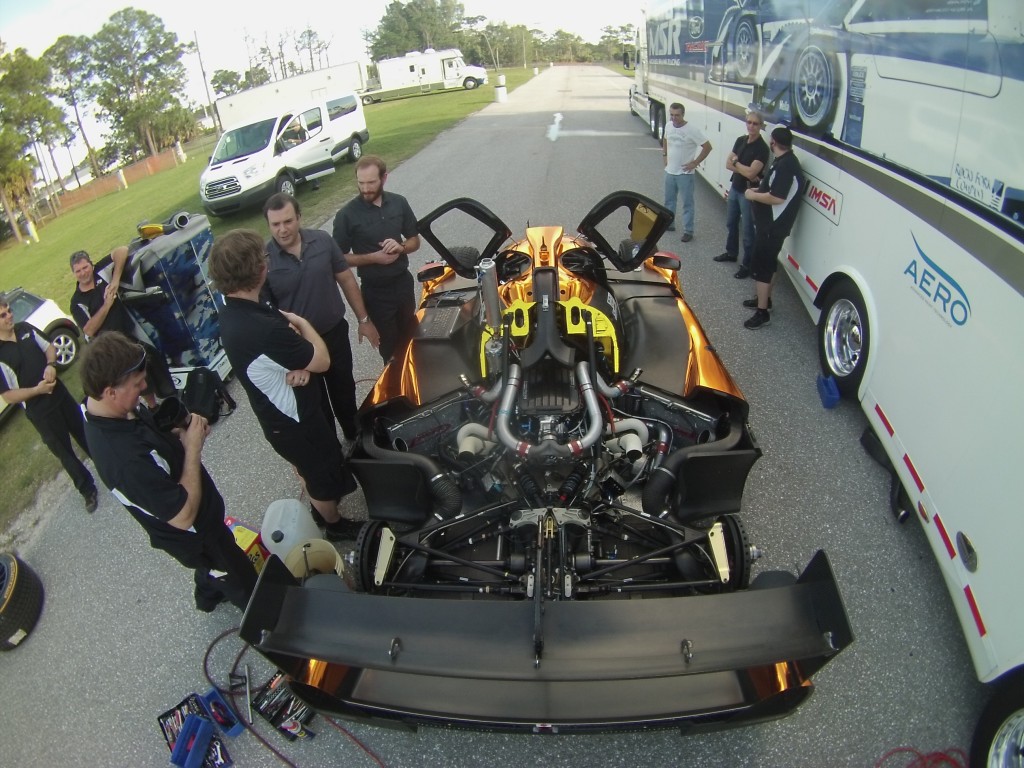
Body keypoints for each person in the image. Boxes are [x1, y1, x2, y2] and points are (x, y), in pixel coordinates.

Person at [80, 332, 257, 612]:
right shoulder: (123, 460)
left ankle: (207, 593)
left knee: (211, 566)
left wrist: (177, 433)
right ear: (110, 392)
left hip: (200, 521)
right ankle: (263, 622)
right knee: (241, 580)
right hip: (197, 535)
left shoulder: (109, 407)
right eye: (137, 384)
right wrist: (193, 448)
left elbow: (148, 436)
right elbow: (184, 516)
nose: (145, 386)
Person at [209, 229, 364, 541]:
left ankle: (323, 510)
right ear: (259, 270)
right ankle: (333, 524)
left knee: (312, 466)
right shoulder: (262, 327)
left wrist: (292, 362)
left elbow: (282, 344)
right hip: (295, 422)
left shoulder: (234, 310)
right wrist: (304, 326)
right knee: (318, 474)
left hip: (280, 414)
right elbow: (321, 361)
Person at [262, 193, 379, 442]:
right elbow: (267, 311)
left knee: (344, 392)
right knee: (317, 404)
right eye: (275, 224)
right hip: (300, 347)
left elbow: (346, 278)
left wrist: (364, 320)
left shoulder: (323, 241)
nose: (282, 230)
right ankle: (332, 452)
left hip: (334, 333)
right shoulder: (263, 261)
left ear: (299, 218)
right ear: (268, 225)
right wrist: (286, 359)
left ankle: (356, 439)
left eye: (288, 221)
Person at [0, 296, 98, 514]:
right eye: (3, 315)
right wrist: (37, 391)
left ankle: (105, 463)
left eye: (9, 311)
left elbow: (49, 348)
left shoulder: (25, 328)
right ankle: (87, 489)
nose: (9, 316)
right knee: (64, 452)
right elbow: (8, 395)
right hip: (40, 411)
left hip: (60, 395)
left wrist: (52, 365)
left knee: (84, 430)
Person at [332, 154, 420, 363]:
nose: (365, 189)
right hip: (376, 292)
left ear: (384, 178)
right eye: (361, 183)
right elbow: (339, 259)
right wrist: (373, 258)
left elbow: (415, 241)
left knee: (412, 339)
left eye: (371, 182)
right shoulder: (346, 215)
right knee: (391, 351)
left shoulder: (399, 203)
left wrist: (401, 247)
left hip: (403, 283)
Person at [69, 248, 174, 403]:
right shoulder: (77, 302)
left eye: (85, 267)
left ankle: (169, 394)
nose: (83, 273)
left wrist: (115, 281)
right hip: (112, 347)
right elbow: (89, 329)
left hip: (129, 330)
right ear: (73, 273)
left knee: (153, 358)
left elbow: (121, 251)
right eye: (78, 271)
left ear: (91, 265)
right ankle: (152, 406)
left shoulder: (100, 272)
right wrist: (107, 305)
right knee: (135, 374)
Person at [743, 126, 805, 330]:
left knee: (763, 268)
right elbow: (771, 188)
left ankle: (762, 313)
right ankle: (765, 300)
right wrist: (759, 187)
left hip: (771, 228)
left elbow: (777, 197)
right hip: (770, 226)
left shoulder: (786, 165)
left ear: (773, 143)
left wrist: (752, 195)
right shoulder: (784, 161)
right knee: (769, 264)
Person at [716, 112, 769, 279]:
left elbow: (752, 173)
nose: (751, 126)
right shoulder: (740, 140)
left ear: (761, 126)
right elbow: (727, 164)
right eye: (749, 122)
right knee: (731, 223)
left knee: (747, 232)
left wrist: (737, 163)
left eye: (755, 123)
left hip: (748, 193)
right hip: (735, 188)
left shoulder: (762, 148)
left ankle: (747, 265)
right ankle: (731, 253)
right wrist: (743, 169)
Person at [663, 102, 712, 242]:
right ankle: (669, 224)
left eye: (677, 115)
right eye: (671, 115)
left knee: (687, 203)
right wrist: (664, 155)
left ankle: (688, 231)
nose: (674, 118)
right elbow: (665, 139)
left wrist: (695, 163)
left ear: (683, 114)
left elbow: (707, 147)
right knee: (669, 201)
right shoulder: (668, 125)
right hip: (670, 171)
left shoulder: (692, 130)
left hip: (685, 173)